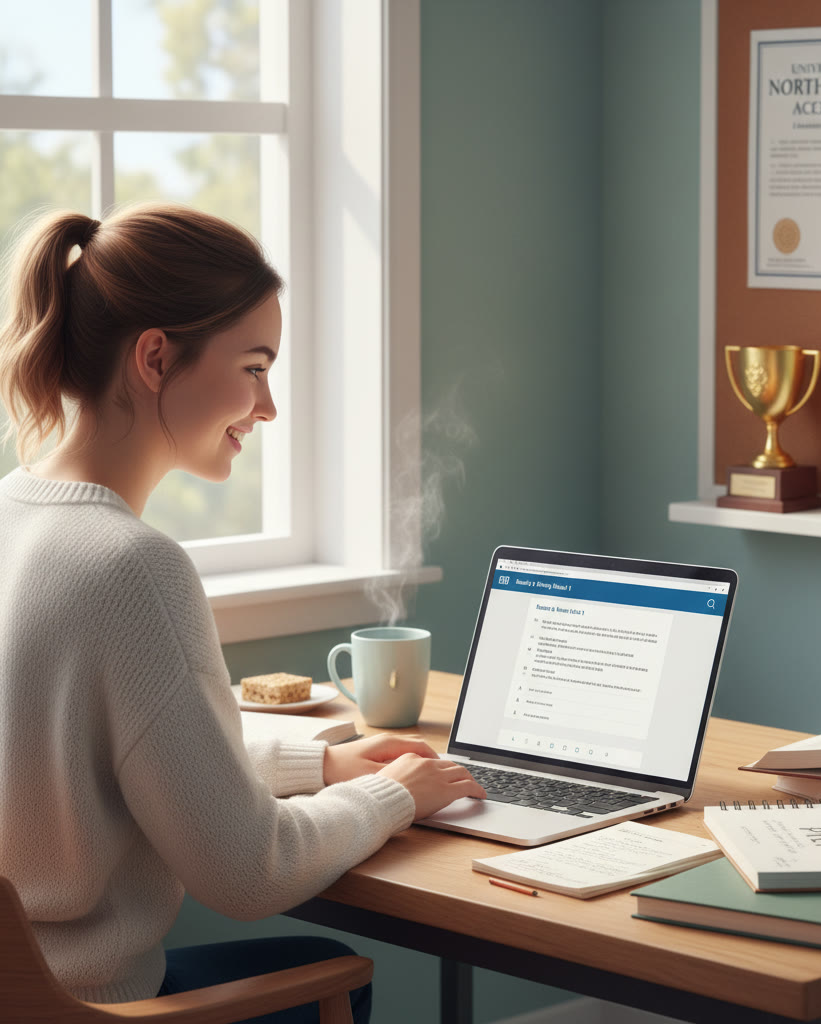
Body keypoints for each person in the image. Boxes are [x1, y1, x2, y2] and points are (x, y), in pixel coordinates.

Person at [0, 204, 486, 1022]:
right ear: (155, 357)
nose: (267, 407)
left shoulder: (13, 514)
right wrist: (394, 795)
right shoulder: (131, 566)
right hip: (92, 1007)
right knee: (334, 971)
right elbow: (249, 871)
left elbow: (130, 762)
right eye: (255, 368)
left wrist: (317, 767)